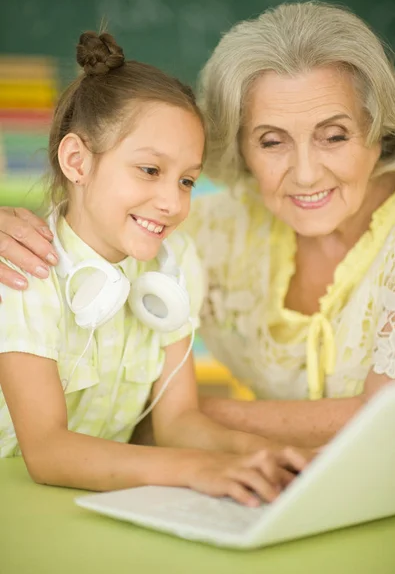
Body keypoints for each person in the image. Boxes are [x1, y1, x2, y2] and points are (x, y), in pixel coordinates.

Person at [2, 1, 395, 448]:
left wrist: (178, 412)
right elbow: (99, 227)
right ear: (239, 148)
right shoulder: (207, 233)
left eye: (334, 136)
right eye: (272, 141)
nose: (305, 173)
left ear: (378, 129)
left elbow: (387, 418)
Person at [0, 31, 310, 505]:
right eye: (150, 170)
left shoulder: (176, 264)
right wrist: (198, 470)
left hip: (102, 500)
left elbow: (178, 421)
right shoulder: (25, 272)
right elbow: (45, 450)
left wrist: (272, 458)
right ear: (77, 161)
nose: (172, 202)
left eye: (187, 180)